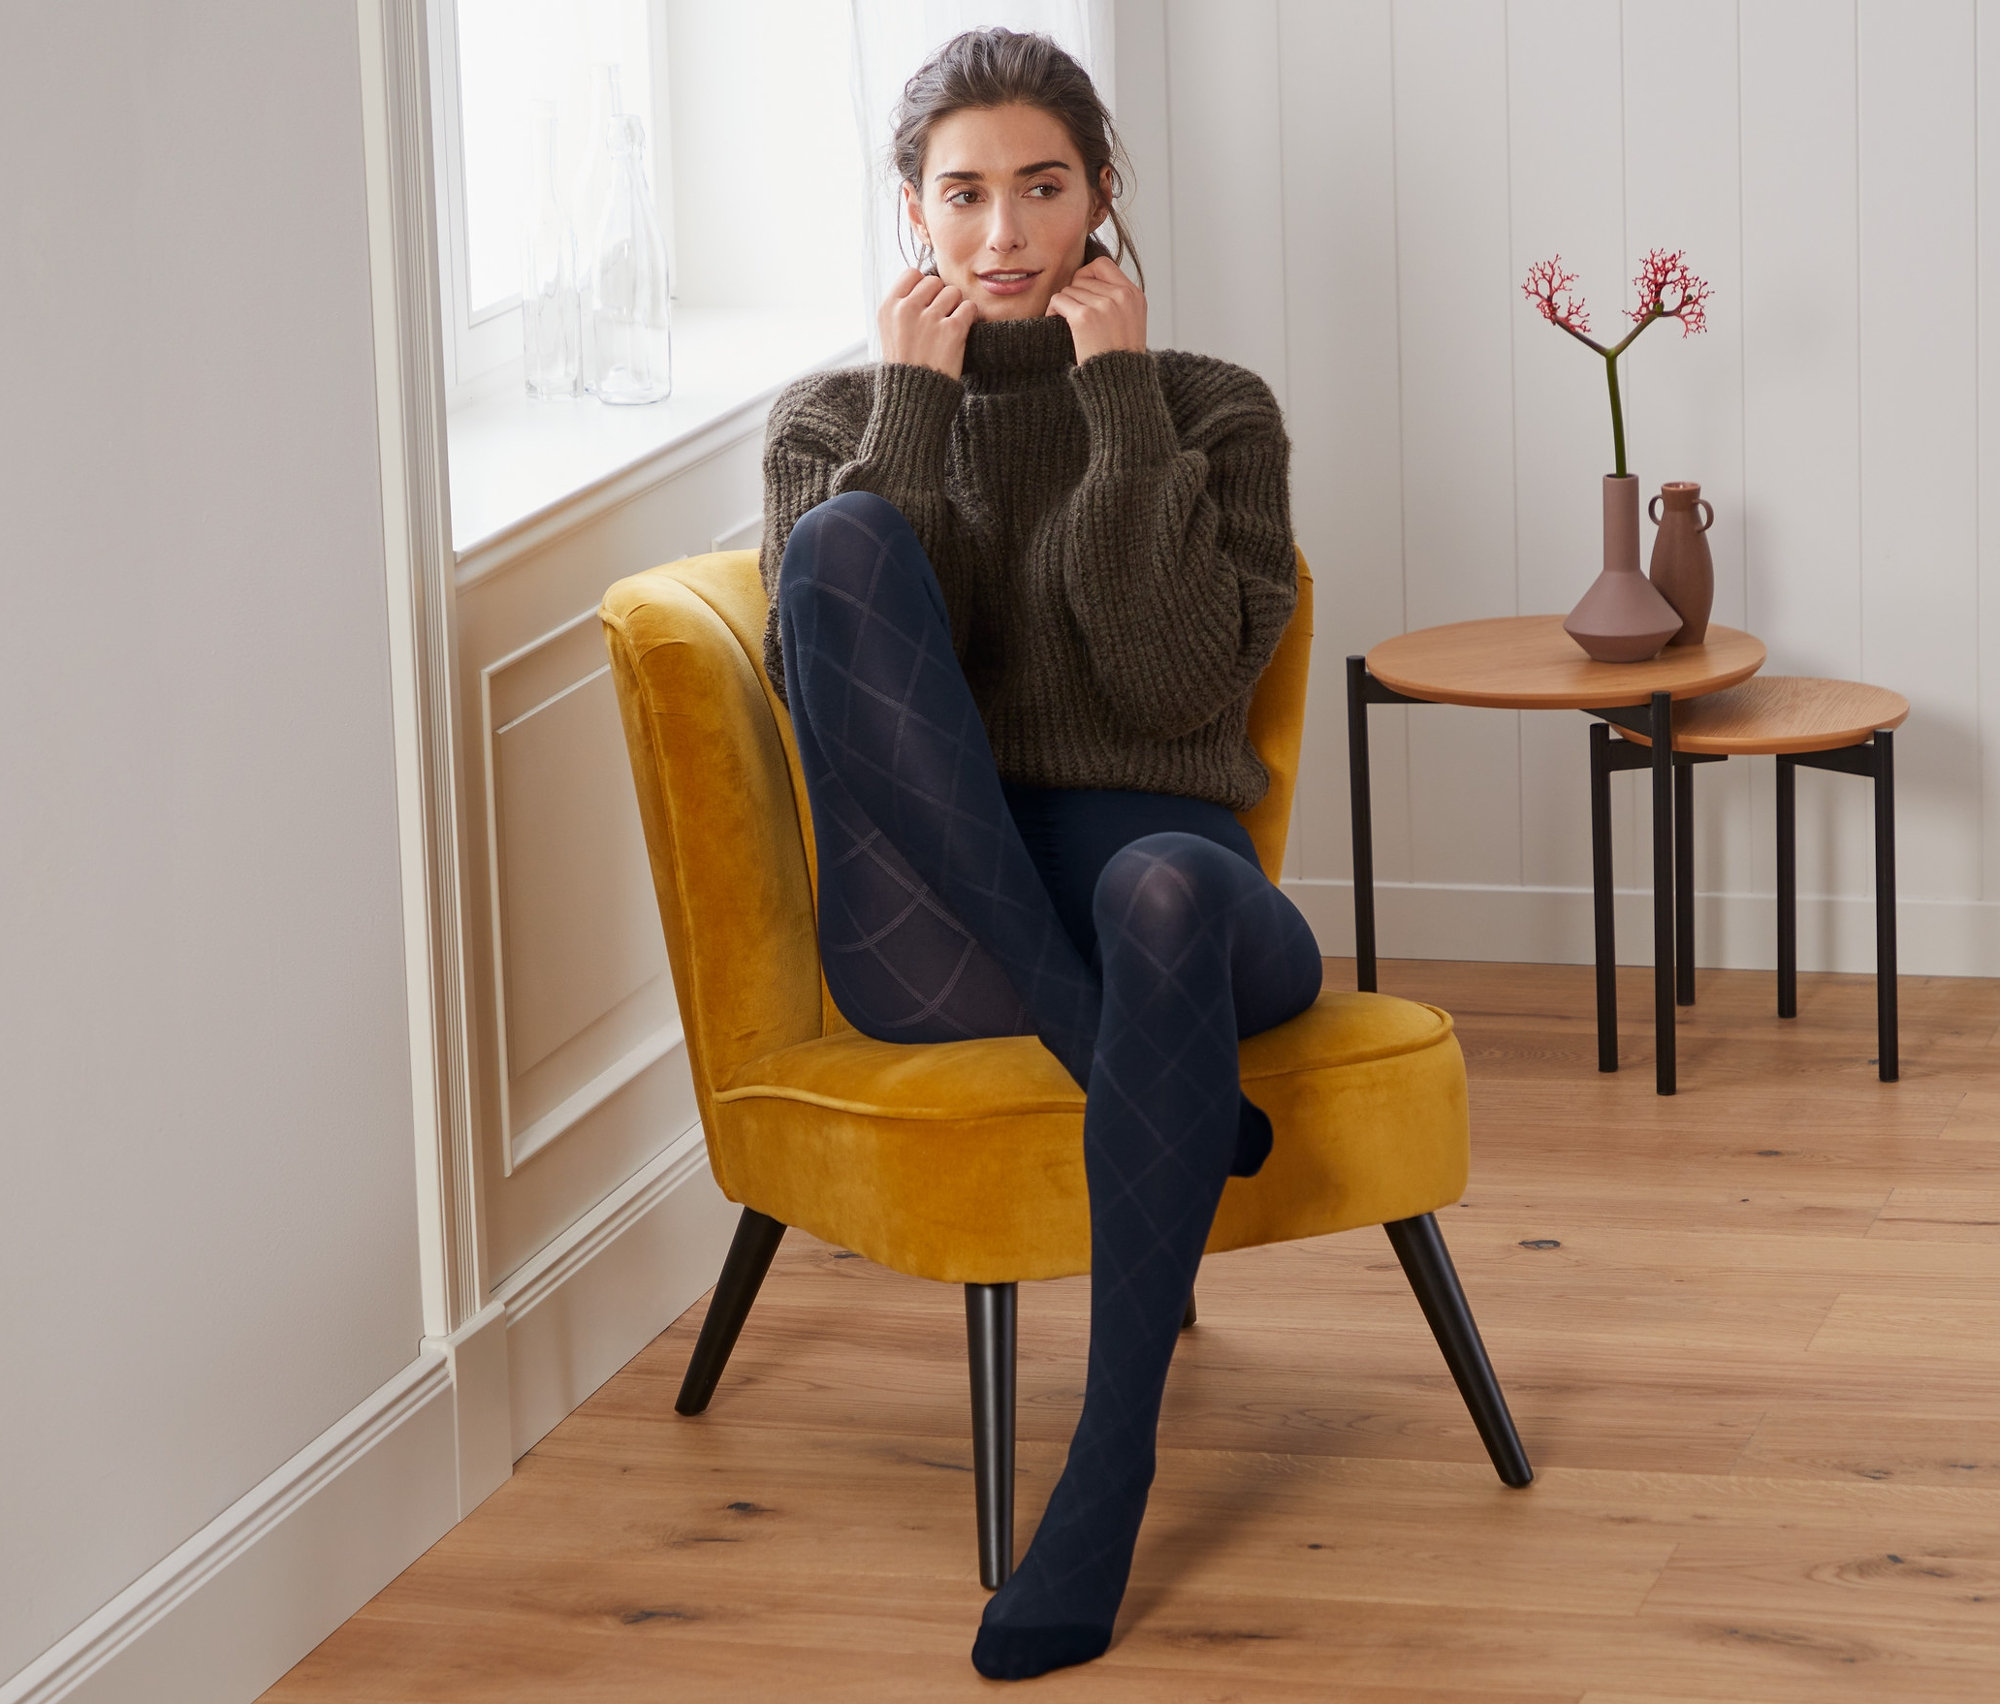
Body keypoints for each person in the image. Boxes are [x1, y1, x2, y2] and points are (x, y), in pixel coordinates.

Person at [757, 27, 1321, 1682]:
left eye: (1043, 187)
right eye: (965, 193)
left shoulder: (1211, 407)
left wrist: (1118, 405)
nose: (1003, 233)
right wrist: (920, 413)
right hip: (934, 919)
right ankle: (1118, 1056)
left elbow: (1175, 679)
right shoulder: (832, 423)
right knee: (848, 546)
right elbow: (847, 699)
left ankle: (1109, 1473)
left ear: (1101, 204)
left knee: (1156, 887)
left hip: (1179, 887)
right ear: (911, 212)